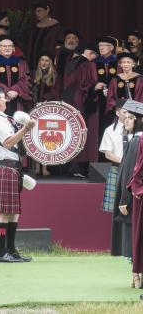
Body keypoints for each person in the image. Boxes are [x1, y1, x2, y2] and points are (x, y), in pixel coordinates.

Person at [0, 84, 36, 263]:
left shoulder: (0, 117)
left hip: (11, 168)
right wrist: (25, 129)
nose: (6, 100)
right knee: (5, 212)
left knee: (13, 212)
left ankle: (11, 250)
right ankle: (1, 252)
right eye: (3, 98)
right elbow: (7, 142)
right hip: (4, 167)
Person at [62, 44, 100, 178]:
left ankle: (73, 167)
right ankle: (80, 168)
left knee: (74, 133)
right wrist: (96, 87)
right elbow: (86, 84)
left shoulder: (72, 62)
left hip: (69, 100)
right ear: (91, 53)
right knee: (85, 133)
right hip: (80, 102)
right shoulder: (86, 64)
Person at [117, 100, 143, 286]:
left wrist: (124, 199)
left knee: (134, 236)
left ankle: (136, 274)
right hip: (135, 194)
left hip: (135, 196)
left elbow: (131, 172)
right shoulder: (133, 139)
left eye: (131, 118)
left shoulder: (137, 141)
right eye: (126, 117)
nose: (127, 121)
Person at [101, 100, 128, 256]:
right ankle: (117, 248)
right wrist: (126, 160)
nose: (127, 115)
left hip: (135, 171)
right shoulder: (110, 130)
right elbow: (107, 153)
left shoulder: (137, 131)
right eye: (124, 112)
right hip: (117, 170)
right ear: (117, 113)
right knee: (117, 209)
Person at [0, 36, 31, 114]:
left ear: (14, 49)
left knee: (17, 123)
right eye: (4, 46)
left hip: (17, 100)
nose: (7, 48)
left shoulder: (21, 63)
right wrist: (6, 92)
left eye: (9, 46)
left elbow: (25, 81)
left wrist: (15, 91)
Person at [25, 3, 64, 70]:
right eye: (36, 11)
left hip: (48, 63)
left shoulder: (55, 27)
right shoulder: (35, 28)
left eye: (39, 11)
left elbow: (59, 45)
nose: (36, 13)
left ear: (47, 10)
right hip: (34, 64)